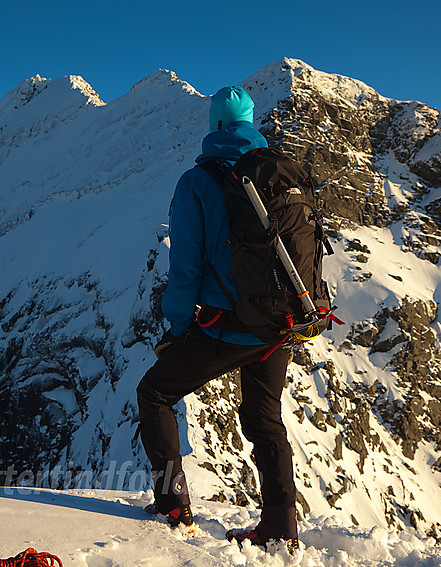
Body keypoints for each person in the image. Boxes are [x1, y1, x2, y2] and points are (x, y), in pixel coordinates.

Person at [136, 86, 299, 552]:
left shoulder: (199, 181)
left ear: (215, 126)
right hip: (281, 322)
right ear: (250, 122)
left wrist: (178, 326)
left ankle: (171, 501)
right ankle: (281, 524)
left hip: (226, 325)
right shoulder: (283, 173)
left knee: (155, 393)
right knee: (265, 418)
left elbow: (185, 268)